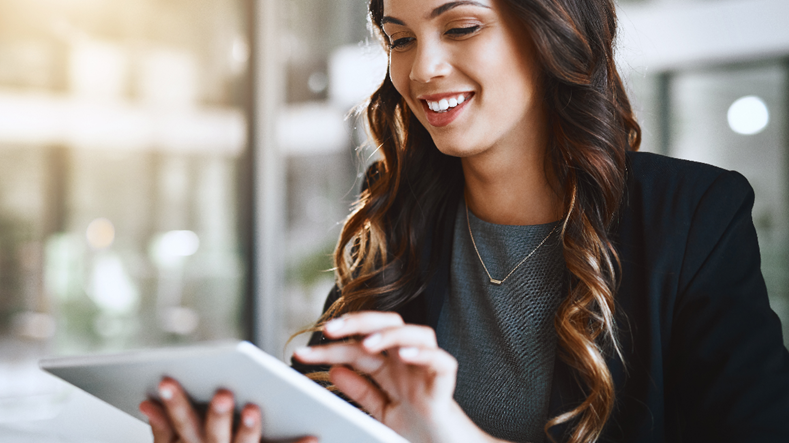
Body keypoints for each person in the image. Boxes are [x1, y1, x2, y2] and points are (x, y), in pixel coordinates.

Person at [139, 0, 789, 442]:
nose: (422, 69)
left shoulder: (693, 215)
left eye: (461, 27)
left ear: (549, 28)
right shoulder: (394, 218)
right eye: (400, 38)